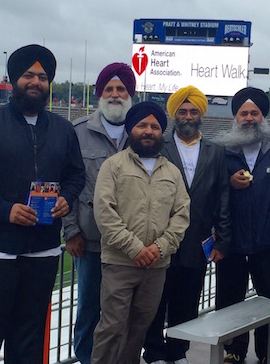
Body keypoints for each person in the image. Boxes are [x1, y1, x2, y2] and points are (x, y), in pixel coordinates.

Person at [0, 44, 85, 364]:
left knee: (30, 337)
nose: (35, 82)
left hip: (42, 251)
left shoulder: (63, 129)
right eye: (28, 75)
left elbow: (76, 176)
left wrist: (66, 200)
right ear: (14, 79)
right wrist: (3, 209)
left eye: (42, 77)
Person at [91, 101, 190, 364]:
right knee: (111, 327)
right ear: (130, 129)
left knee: (139, 329)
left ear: (161, 132)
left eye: (155, 126)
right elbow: (105, 213)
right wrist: (135, 248)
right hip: (120, 263)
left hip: (156, 266)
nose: (149, 131)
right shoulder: (113, 166)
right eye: (142, 125)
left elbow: (181, 216)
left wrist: (159, 248)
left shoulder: (171, 171)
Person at [143, 86, 231, 364]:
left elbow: (222, 198)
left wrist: (223, 240)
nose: (188, 116)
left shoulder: (215, 152)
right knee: (156, 300)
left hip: (198, 241)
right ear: (174, 115)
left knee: (188, 301)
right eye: (183, 111)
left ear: (201, 114)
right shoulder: (159, 147)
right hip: (161, 238)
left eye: (193, 111)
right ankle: (154, 351)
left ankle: (178, 351)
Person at [213, 87, 270, 364]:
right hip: (232, 241)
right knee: (229, 299)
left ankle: (266, 352)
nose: (249, 118)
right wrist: (228, 182)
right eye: (243, 113)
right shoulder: (220, 152)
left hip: (268, 241)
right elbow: (210, 190)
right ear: (235, 117)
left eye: (255, 113)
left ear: (263, 116)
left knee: (268, 300)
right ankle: (234, 350)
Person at [62, 62, 135, 364]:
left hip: (132, 243)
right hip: (90, 241)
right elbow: (66, 184)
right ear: (100, 94)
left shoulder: (144, 131)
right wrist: (70, 232)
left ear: (130, 94)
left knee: (125, 309)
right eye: (109, 89)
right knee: (89, 308)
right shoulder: (78, 132)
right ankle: (86, 358)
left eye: (121, 89)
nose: (115, 95)